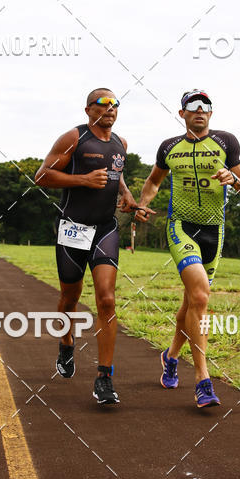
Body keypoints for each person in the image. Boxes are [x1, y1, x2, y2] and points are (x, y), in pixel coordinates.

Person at [136, 89, 240, 408]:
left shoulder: (227, 141)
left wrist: (233, 178)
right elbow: (154, 181)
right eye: (193, 106)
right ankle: (203, 380)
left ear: (211, 114)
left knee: (192, 301)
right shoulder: (168, 147)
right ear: (182, 113)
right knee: (201, 296)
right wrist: (143, 204)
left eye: (206, 106)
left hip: (214, 232)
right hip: (181, 227)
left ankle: (171, 356)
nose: (200, 110)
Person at [36, 88, 153, 405]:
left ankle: (104, 377)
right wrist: (84, 180)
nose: (111, 108)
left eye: (115, 104)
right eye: (104, 103)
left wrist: (126, 196)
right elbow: (42, 176)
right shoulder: (73, 138)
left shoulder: (121, 144)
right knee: (70, 297)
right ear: (89, 109)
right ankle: (66, 342)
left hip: (105, 229)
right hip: (73, 228)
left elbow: (117, 174)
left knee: (107, 300)